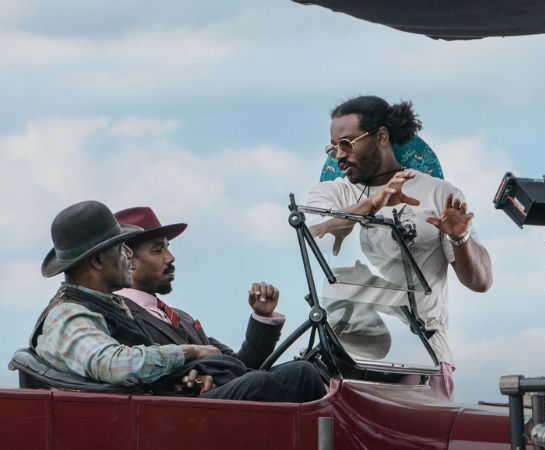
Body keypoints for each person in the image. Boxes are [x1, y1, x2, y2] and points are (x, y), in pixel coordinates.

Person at [31, 200, 324, 403]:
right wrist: (188, 354)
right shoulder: (69, 314)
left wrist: (190, 377)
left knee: (300, 373)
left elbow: (228, 362)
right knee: (261, 385)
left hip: (164, 404)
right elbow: (114, 366)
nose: (128, 256)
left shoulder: (113, 307)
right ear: (97, 260)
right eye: (121, 248)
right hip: (145, 419)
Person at [306, 95, 493, 400]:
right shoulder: (332, 193)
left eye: (347, 144)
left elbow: (481, 282)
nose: (339, 156)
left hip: (421, 357)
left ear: (381, 136)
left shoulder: (438, 193)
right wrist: (375, 202)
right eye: (333, 147)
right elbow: (314, 236)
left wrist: (461, 238)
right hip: (348, 356)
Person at [112, 206, 325, 401]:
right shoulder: (120, 314)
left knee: (302, 372)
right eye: (158, 250)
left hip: (216, 396)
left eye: (168, 247)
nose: (171, 257)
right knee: (260, 384)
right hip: (177, 409)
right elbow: (134, 373)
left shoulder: (181, 318)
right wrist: (191, 380)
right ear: (127, 260)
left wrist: (262, 317)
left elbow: (243, 366)